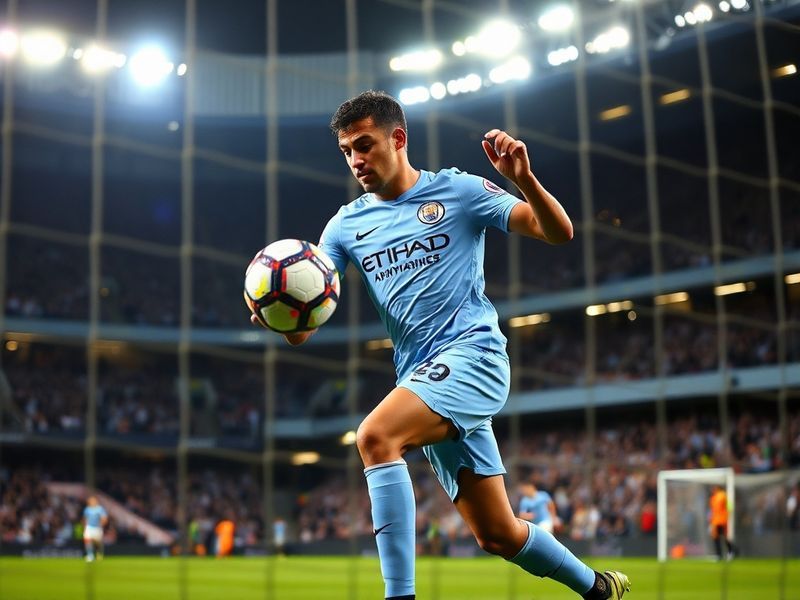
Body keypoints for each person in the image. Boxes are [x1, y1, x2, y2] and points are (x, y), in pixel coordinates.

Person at [251, 90, 630, 600]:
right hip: (421, 377)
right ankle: (596, 587)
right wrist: (276, 314)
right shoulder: (344, 226)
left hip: (474, 358)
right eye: (347, 151)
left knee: (375, 437)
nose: (356, 160)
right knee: (497, 533)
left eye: (364, 145)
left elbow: (557, 232)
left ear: (398, 138)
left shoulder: (459, 191)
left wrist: (523, 180)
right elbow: (305, 329)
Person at [709, 484, 735, 560]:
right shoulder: (713, 497)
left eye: (714, 487)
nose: (712, 489)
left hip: (721, 520)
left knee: (723, 537)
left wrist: (727, 515)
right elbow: (713, 510)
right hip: (715, 521)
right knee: (716, 538)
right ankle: (719, 555)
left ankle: (731, 552)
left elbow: (729, 506)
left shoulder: (722, 495)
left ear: (717, 487)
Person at [82, 495, 108, 562]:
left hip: (97, 528)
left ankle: (99, 553)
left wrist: (101, 524)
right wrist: (85, 526)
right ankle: (90, 555)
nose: (91, 501)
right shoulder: (87, 509)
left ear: (96, 501)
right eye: (90, 500)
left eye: (93, 500)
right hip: (89, 527)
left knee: (98, 542)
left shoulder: (100, 509)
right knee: (87, 540)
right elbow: (85, 519)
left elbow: (104, 518)